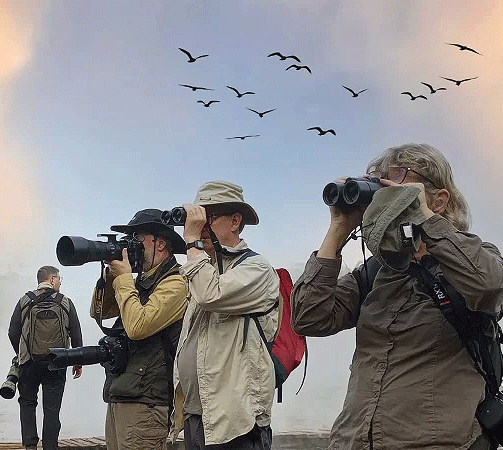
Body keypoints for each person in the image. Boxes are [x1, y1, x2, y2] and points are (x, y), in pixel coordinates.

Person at [290, 143, 503, 450]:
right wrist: (338, 228)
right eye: (378, 180)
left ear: (440, 200)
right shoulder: (377, 272)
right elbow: (308, 317)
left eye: (399, 178)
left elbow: (489, 286)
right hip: (354, 441)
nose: (384, 191)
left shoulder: (474, 259)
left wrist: (423, 216)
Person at [170, 180, 280, 449]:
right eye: (199, 219)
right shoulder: (205, 269)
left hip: (235, 422)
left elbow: (211, 294)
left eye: (211, 218)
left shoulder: (257, 268)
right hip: (198, 417)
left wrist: (191, 242)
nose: (203, 228)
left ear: (235, 221)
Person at [90, 208, 188, 450]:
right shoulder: (140, 283)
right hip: (122, 395)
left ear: (161, 243)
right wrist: (110, 277)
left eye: (138, 239)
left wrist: (123, 279)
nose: (130, 246)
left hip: (147, 404)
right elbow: (100, 313)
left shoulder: (176, 284)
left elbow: (137, 326)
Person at [8, 266, 83, 450]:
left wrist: (22, 353)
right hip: (56, 363)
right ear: (51, 280)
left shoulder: (25, 300)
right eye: (59, 279)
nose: (60, 283)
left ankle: (30, 445)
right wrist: (77, 361)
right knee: (52, 408)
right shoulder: (65, 302)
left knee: (27, 403)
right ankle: (50, 446)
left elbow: (12, 332)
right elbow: (76, 334)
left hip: (28, 363)